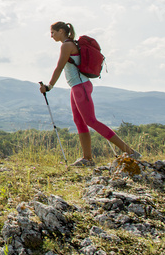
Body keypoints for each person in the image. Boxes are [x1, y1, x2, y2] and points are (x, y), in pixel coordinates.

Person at [40, 22, 141, 167]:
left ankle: (130, 152)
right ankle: (87, 159)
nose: (51, 36)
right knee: (79, 121)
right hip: (77, 87)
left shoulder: (66, 46)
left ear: (61, 31)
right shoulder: (71, 44)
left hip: (80, 87)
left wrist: (49, 87)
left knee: (91, 120)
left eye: (53, 32)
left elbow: (59, 67)